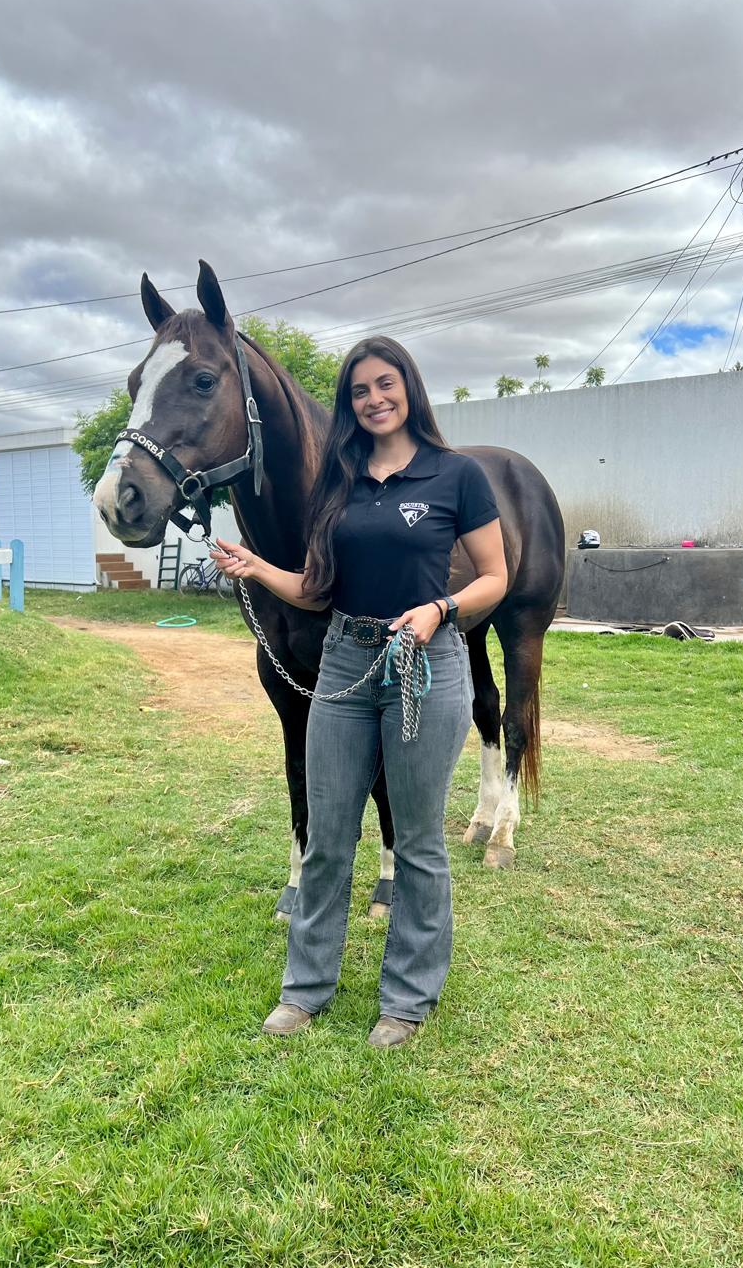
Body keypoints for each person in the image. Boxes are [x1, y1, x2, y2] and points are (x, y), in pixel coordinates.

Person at [212, 336, 507, 1048]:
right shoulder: (337, 480)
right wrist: (255, 567)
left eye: (385, 384)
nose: (374, 399)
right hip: (345, 659)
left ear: (409, 387)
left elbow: (494, 577)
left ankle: (406, 999)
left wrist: (443, 610)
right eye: (359, 391)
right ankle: (305, 990)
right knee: (327, 836)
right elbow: (316, 590)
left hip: (426, 662)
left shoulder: (455, 474)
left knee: (418, 842)